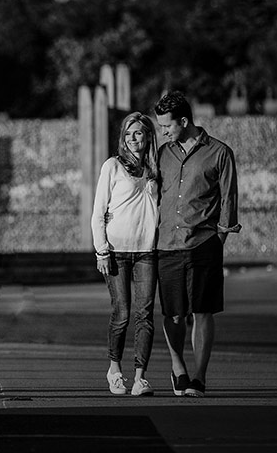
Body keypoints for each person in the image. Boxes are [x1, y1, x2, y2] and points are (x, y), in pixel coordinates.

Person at [153, 91, 241, 398]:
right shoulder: (162, 154)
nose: (163, 132)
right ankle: (178, 367)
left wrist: (219, 239)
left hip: (204, 242)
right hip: (167, 244)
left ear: (184, 121)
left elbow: (229, 198)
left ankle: (199, 377)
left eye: (167, 126)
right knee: (173, 313)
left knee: (203, 312)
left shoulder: (220, 153)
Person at [91, 112, 160, 396]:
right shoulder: (113, 166)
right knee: (122, 313)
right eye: (128, 134)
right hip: (117, 252)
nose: (133, 139)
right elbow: (98, 213)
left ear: (148, 136)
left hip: (146, 252)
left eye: (139, 133)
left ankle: (140, 378)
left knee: (145, 315)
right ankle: (115, 370)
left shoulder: (155, 169)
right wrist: (101, 251)